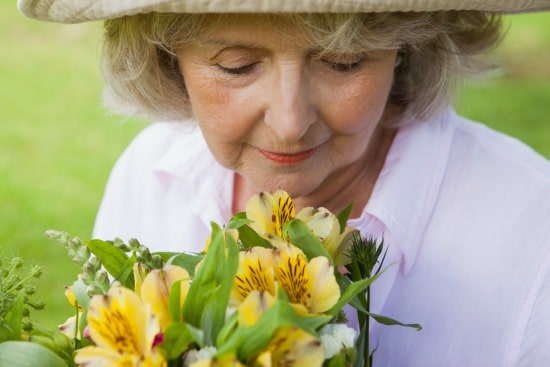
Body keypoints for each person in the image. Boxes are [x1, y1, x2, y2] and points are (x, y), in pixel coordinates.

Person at [19, 0, 550, 365]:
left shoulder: (531, 239)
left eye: (344, 63)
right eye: (237, 65)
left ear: (409, 49)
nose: (290, 120)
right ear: (166, 60)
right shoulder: (151, 174)